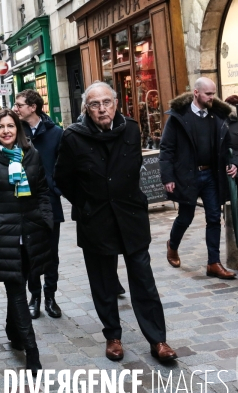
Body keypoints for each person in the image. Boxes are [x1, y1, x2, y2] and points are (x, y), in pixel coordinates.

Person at [54, 81, 176, 362]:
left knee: (144, 280)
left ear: (116, 104)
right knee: (104, 283)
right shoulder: (73, 136)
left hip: (131, 216)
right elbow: (62, 178)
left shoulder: (131, 128)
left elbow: (133, 169)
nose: (101, 109)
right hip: (95, 219)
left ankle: (158, 339)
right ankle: (113, 336)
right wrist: (85, 204)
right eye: (95, 104)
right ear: (87, 108)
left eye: (106, 102)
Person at [0, 109, 52, 376]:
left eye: (11, 126)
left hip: (30, 233)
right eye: (1, 127)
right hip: (2, 236)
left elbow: (42, 191)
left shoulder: (31, 155)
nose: (6, 131)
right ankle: (32, 350)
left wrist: (46, 219)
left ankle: (12, 332)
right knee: (16, 290)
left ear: (18, 129)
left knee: (22, 283)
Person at [160, 78, 238, 279]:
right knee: (185, 217)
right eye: (208, 94)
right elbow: (166, 149)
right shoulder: (179, 117)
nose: (212, 97)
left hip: (212, 175)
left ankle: (213, 263)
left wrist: (233, 163)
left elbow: (229, 146)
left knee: (214, 218)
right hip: (188, 176)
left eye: (213, 93)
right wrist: (168, 177)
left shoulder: (218, 116)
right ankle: (173, 245)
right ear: (196, 93)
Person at [13, 89, 64, 319]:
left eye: (20, 104)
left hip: (50, 201)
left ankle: (50, 297)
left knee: (51, 253)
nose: (16, 108)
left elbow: (64, 165)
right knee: (30, 252)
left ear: (33, 107)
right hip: (25, 203)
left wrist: (55, 187)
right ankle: (34, 297)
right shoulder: (16, 132)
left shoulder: (56, 133)